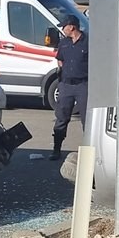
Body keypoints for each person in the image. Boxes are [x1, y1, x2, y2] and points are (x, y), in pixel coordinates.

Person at [51, 15, 88, 161]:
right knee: (61, 118)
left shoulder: (88, 42)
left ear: (71, 27)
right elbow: (60, 60)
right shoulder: (64, 43)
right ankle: (56, 149)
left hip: (83, 85)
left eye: (64, 26)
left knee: (87, 120)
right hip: (66, 85)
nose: (62, 29)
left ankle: (88, 152)